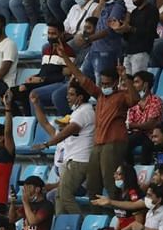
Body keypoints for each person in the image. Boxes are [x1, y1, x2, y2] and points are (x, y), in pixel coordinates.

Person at [59, 47, 138, 203]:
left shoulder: (122, 96)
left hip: (114, 142)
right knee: (92, 183)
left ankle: (116, 215)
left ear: (116, 82)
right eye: (102, 83)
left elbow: (134, 99)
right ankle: (96, 216)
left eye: (107, 83)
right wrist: (65, 58)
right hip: (98, 143)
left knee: (111, 182)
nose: (104, 86)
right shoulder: (100, 95)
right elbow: (80, 77)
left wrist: (125, 77)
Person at [29, 85, 93, 215]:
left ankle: (78, 223)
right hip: (71, 165)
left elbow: (69, 130)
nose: (67, 97)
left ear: (80, 97)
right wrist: (36, 105)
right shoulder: (63, 133)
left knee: (64, 194)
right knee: (58, 196)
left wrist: (47, 144)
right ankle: (60, 222)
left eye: (71, 94)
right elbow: (45, 123)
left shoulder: (83, 113)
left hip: (80, 163)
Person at [111, 0, 159, 75]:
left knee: (138, 83)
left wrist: (130, 29)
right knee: (127, 84)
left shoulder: (152, 10)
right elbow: (128, 35)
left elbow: (150, 32)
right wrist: (121, 27)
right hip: (128, 53)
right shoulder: (134, 12)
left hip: (141, 53)